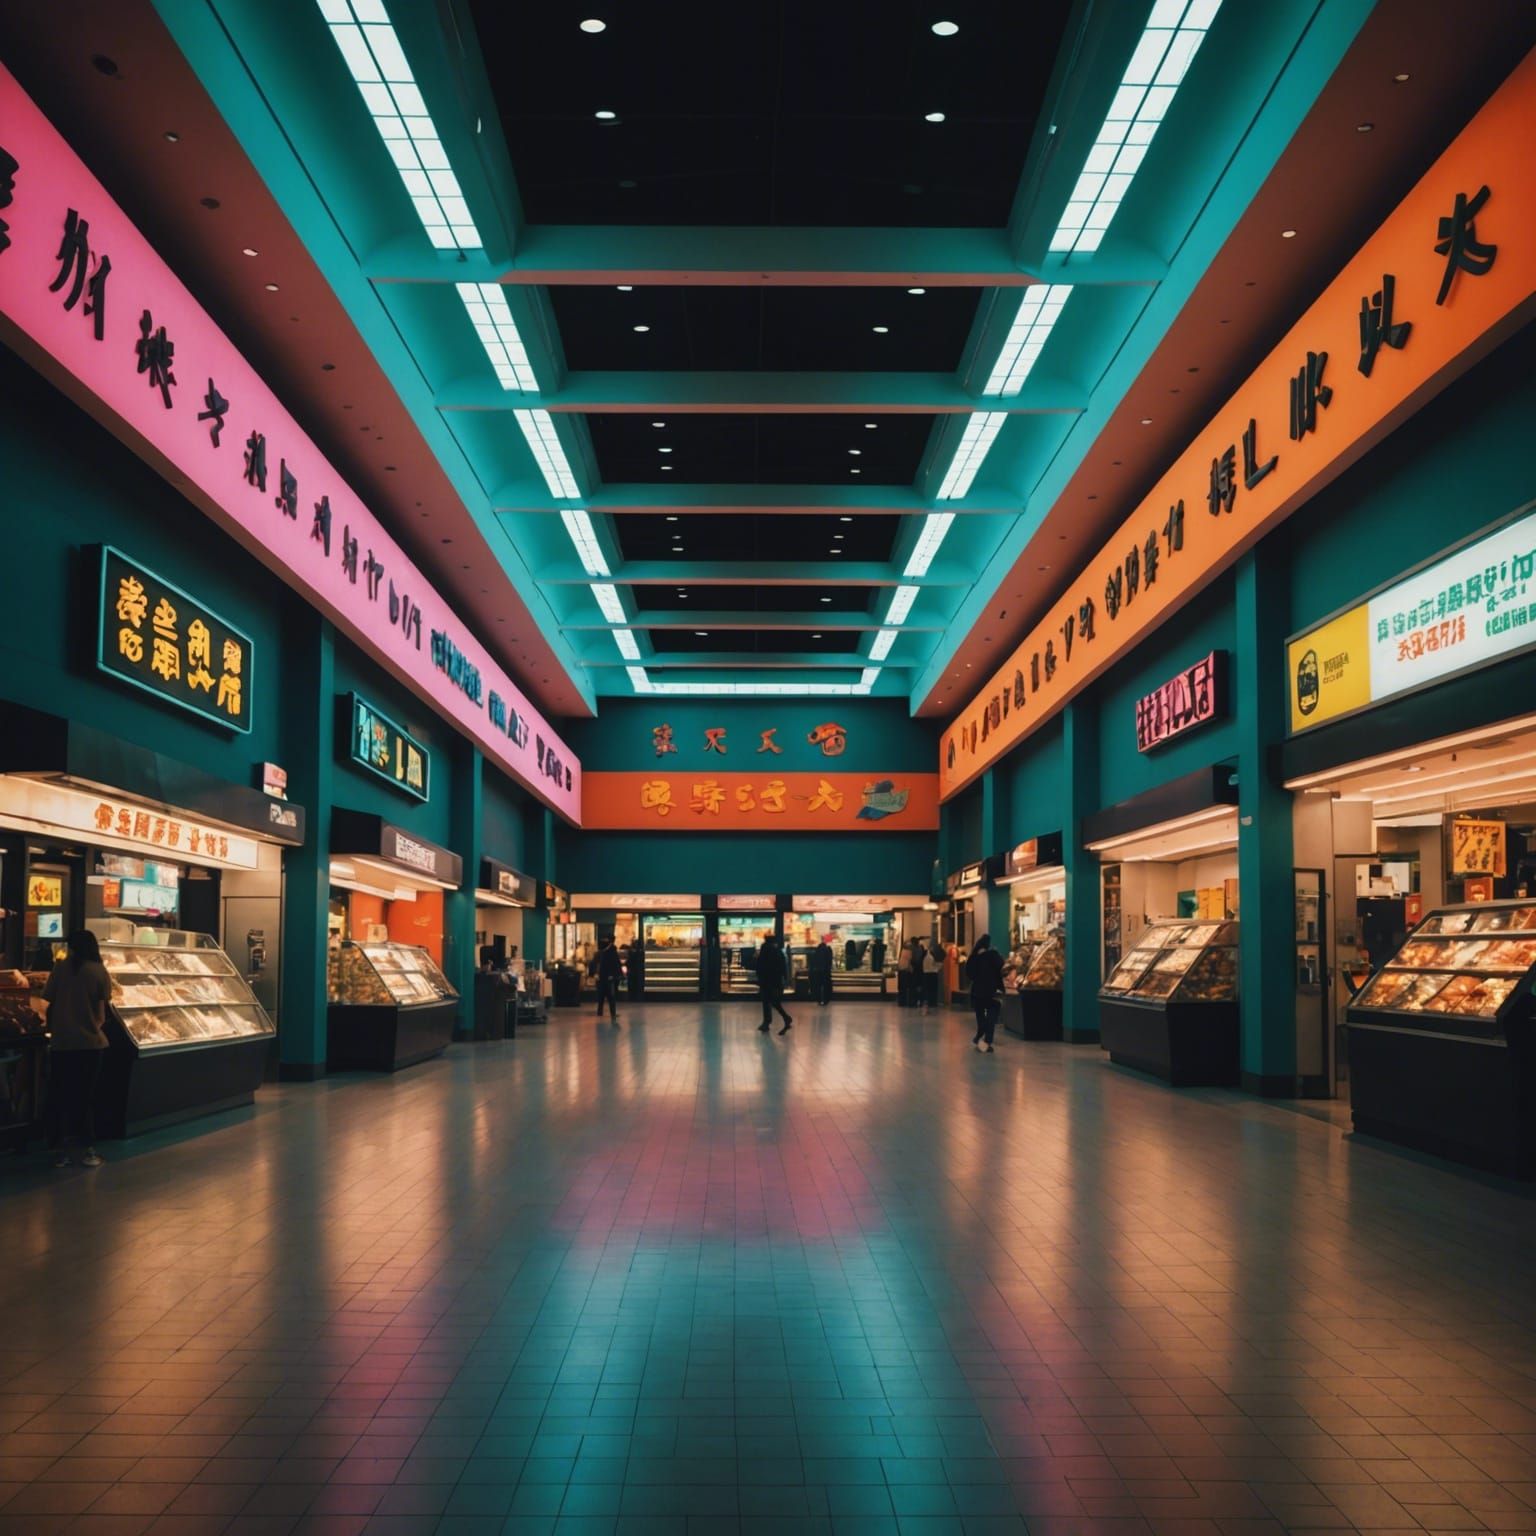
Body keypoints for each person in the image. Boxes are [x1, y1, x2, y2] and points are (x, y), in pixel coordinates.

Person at [43, 929, 112, 1167]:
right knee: (85, 1097)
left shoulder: (60, 969)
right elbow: (101, 1014)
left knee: (60, 1096)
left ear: (71, 948)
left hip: (61, 1043)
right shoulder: (99, 971)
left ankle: (59, 1151)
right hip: (90, 1045)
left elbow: (48, 1002)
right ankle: (88, 1151)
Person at [968, 933, 1005, 1052]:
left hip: (977, 990)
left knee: (980, 1014)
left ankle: (980, 1034)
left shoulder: (974, 956)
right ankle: (987, 1040)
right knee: (992, 1013)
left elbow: (969, 974)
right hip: (991, 990)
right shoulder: (993, 955)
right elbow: (1002, 967)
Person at [755, 934, 793, 1036]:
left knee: (767, 1001)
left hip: (765, 980)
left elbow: (759, 966)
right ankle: (783, 1019)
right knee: (774, 1001)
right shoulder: (778, 952)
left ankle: (769, 1022)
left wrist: (759, 977)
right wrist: (785, 979)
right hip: (775, 980)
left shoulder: (764, 951)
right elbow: (783, 966)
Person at [594, 936, 623, 1025]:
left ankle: (602, 1011)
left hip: (605, 977)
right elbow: (616, 964)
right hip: (608, 977)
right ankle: (611, 1013)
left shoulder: (603, 953)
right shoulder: (611, 952)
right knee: (610, 996)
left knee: (603, 995)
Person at [808, 937, 833, 1007]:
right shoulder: (827, 951)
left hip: (818, 972)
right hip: (825, 972)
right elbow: (829, 962)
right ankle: (826, 1000)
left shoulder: (816, 952)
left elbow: (812, 963)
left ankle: (819, 999)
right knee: (826, 986)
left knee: (818, 986)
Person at [922, 939, 942, 1015]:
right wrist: (938, 967)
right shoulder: (930, 957)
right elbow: (932, 966)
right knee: (932, 989)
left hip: (926, 973)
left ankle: (929, 1001)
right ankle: (932, 1002)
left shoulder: (926, 956)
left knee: (928, 989)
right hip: (932, 973)